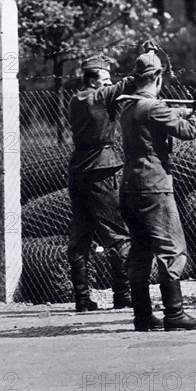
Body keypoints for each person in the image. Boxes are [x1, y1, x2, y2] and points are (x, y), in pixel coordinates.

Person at [118, 51, 196, 331]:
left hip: (130, 186)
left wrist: (186, 106)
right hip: (154, 186)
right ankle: (175, 314)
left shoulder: (129, 106)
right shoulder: (152, 108)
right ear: (157, 77)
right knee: (172, 250)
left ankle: (142, 316)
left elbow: (162, 115)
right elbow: (190, 131)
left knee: (140, 251)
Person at [67, 54, 136, 312]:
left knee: (79, 238)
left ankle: (82, 299)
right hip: (103, 169)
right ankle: (123, 295)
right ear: (94, 82)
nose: (110, 84)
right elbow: (130, 83)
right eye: (106, 80)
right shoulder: (97, 96)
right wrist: (149, 58)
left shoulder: (77, 99)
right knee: (118, 236)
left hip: (79, 170)